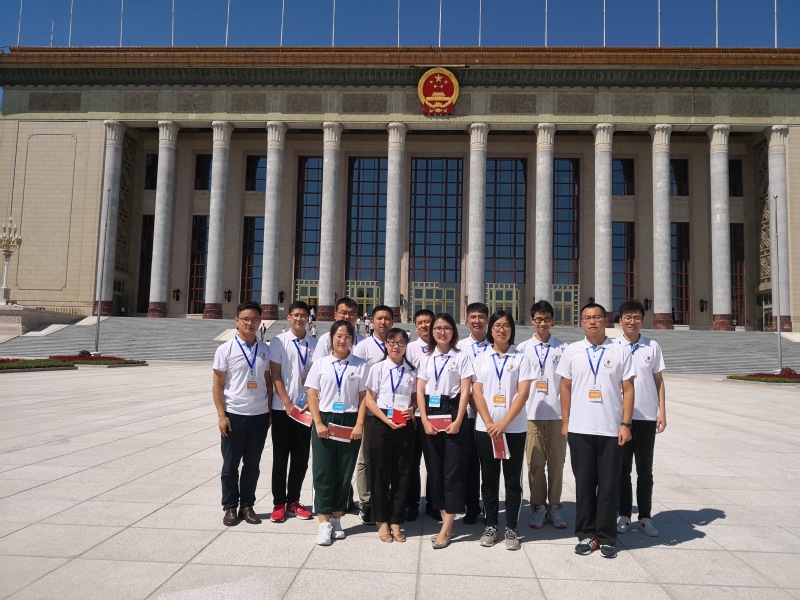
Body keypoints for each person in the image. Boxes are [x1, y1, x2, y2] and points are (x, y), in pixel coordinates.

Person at [557, 302, 635, 559]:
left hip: (610, 429)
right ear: (581, 322)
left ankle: (607, 536)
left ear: (605, 320)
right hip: (580, 430)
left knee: (609, 485)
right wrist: (566, 422)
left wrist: (626, 424)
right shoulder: (572, 351)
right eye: (587, 318)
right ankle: (587, 534)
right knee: (584, 485)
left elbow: (629, 389)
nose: (592, 321)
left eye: (597, 317)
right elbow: (565, 388)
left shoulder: (620, 350)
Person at [472, 310, 533, 550]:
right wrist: (490, 423)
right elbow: (477, 392)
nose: (501, 329)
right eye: (497, 325)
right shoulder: (482, 358)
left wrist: (503, 423)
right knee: (488, 479)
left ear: (512, 329)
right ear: (491, 329)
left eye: (506, 325)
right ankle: (491, 525)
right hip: (485, 429)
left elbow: (523, 394)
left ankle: (511, 528)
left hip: (513, 429)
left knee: (512, 479)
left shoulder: (521, 358)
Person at [305, 320, 369, 546]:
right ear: (331, 338)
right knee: (323, 471)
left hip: (349, 420)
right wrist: (318, 422)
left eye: (347, 336)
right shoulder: (321, 363)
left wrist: (359, 425)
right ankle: (323, 522)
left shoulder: (360, 365)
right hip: (325, 419)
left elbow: (364, 398)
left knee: (344, 471)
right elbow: (312, 394)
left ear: (353, 340)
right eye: (339, 336)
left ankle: (337, 518)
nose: (343, 340)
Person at [212, 301, 272, 526]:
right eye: (246, 319)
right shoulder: (225, 349)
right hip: (234, 415)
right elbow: (217, 385)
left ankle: (247, 505)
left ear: (260, 322)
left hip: (258, 416)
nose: (250, 323)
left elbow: (268, 382)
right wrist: (221, 415)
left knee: (252, 465)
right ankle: (229, 507)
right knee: (230, 466)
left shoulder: (265, 350)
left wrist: (269, 412)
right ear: (237, 320)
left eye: (255, 319)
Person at [416, 313, 473, 549]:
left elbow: (466, 391)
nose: (442, 332)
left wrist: (459, 420)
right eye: (437, 328)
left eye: (446, 328)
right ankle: (446, 521)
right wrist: (424, 420)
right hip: (430, 413)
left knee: (453, 470)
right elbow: (420, 390)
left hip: (453, 412)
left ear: (453, 331)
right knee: (435, 470)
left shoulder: (461, 357)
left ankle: (446, 527)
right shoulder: (426, 358)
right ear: (432, 332)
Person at [615, 300, 667, 538]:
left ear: (642, 320)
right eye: (628, 317)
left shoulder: (652, 346)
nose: (632, 321)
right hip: (621, 419)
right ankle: (624, 514)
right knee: (622, 469)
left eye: (636, 317)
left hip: (646, 417)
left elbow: (659, 381)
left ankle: (645, 516)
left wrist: (662, 412)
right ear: (620, 321)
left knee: (645, 470)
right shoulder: (613, 347)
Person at [517, 300, 568, 530]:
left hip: (556, 415)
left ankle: (555, 505)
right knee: (535, 463)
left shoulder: (563, 348)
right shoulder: (522, 349)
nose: (543, 323)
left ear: (552, 321)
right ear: (532, 321)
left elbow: (568, 384)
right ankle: (538, 506)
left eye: (547, 319)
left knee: (557, 463)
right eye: (538, 319)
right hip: (531, 415)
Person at [364, 328, 417, 542]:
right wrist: (386, 420)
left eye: (401, 343)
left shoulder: (411, 371)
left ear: (406, 346)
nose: (396, 346)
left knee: (402, 473)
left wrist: (413, 409)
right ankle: (382, 520)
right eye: (392, 342)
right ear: (386, 344)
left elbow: (415, 398)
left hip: (404, 422)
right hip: (382, 421)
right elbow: (369, 400)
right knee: (380, 472)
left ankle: (396, 520)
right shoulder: (377, 368)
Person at [268, 300, 317, 523]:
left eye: (303, 315)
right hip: (283, 409)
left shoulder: (315, 343)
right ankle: (279, 503)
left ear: (309, 318)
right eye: (295, 315)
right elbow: (275, 375)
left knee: (301, 457)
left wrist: (308, 403)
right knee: (280, 458)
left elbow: (316, 377)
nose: (299, 319)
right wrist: (287, 403)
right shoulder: (279, 341)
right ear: (289, 317)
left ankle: (294, 501)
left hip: (305, 409)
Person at [352, 304, 395, 525]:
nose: (383, 322)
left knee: (390, 458)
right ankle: (366, 501)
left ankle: (386, 498)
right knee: (366, 459)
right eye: (379, 318)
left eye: (387, 318)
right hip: (369, 411)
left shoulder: (398, 344)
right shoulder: (363, 347)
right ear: (371, 321)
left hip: (394, 412)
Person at [455, 302, 491, 525]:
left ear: (487, 320)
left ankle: (490, 506)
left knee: (489, 464)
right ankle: (471, 505)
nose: (477, 321)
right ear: (466, 320)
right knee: (469, 463)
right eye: (473, 317)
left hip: (490, 415)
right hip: (467, 414)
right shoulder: (459, 347)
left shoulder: (496, 345)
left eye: (481, 317)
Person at [404, 309, 434, 521]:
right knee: (412, 462)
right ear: (415, 327)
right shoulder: (409, 348)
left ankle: (434, 503)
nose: (424, 326)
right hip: (413, 412)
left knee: (434, 461)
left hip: (435, 411)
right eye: (420, 322)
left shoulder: (442, 346)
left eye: (428, 322)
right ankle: (411, 503)